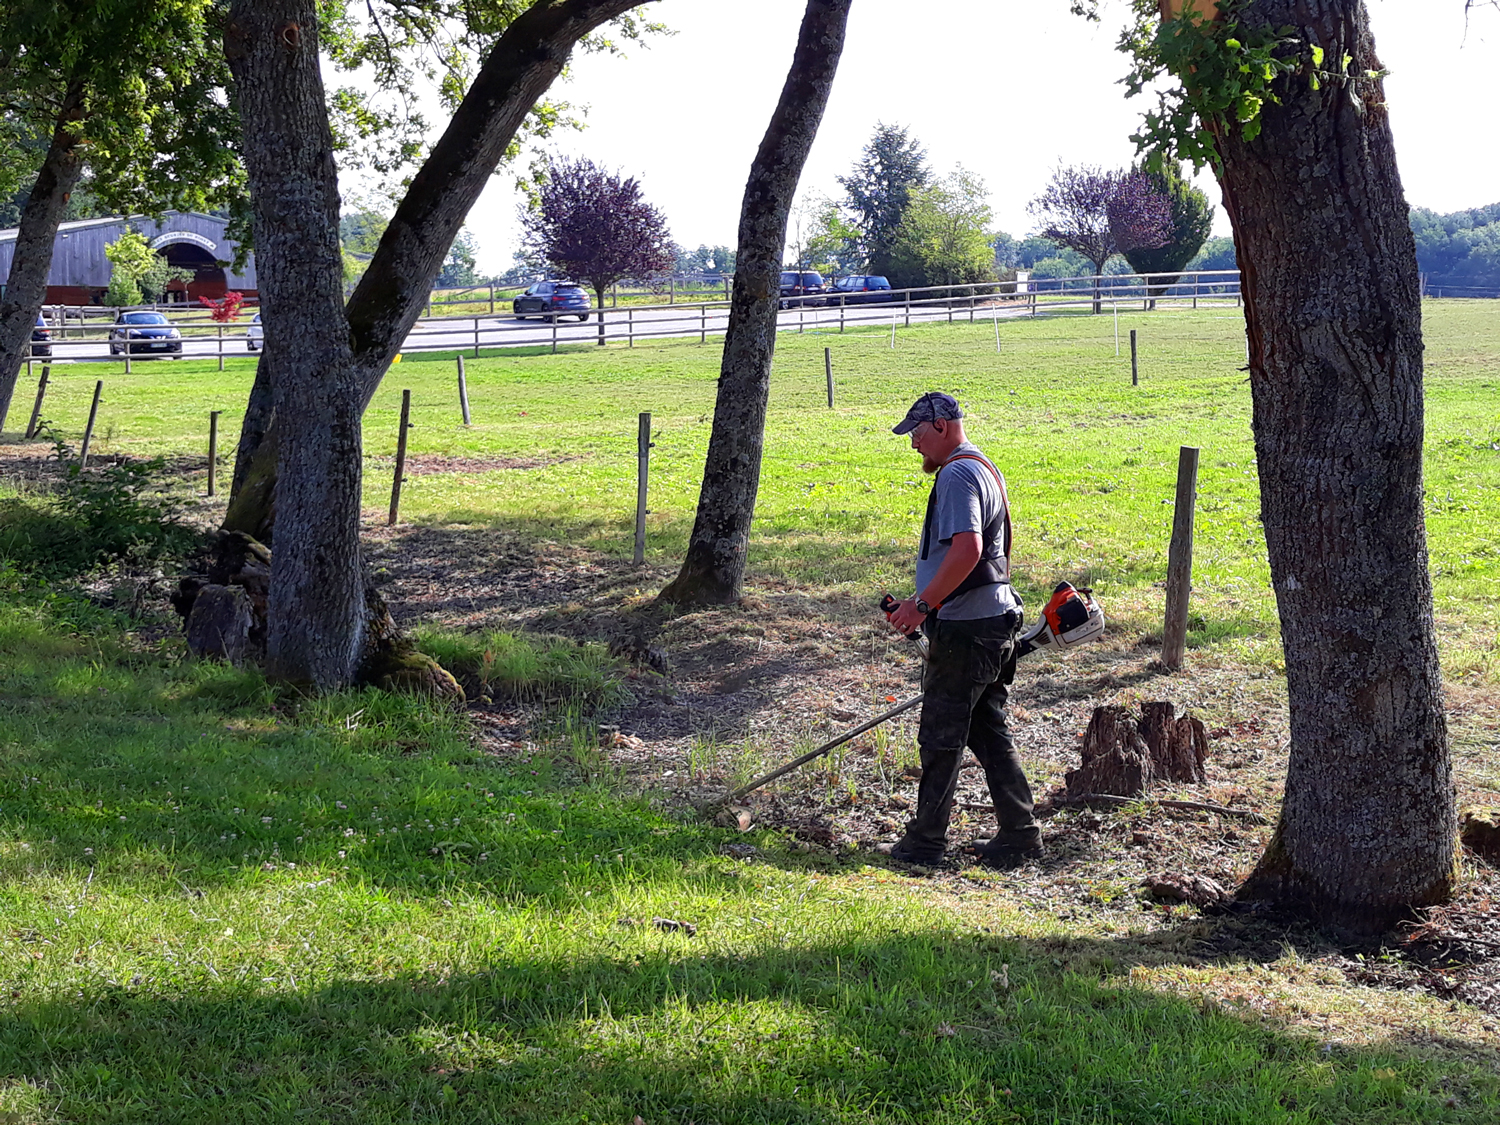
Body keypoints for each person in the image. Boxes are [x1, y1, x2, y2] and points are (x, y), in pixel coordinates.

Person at [880, 392, 1042, 867]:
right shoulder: (984, 467)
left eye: (917, 433)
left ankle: (925, 843)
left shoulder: (956, 474)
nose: (914, 444)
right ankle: (1020, 835)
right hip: (992, 620)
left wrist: (921, 605)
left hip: (968, 628)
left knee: (941, 736)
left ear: (942, 426)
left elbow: (968, 549)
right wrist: (924, 604)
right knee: (989, 733)